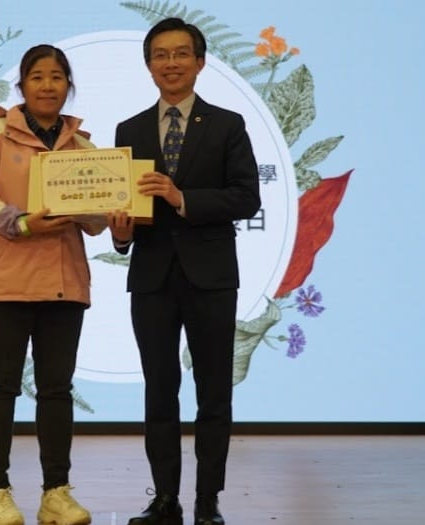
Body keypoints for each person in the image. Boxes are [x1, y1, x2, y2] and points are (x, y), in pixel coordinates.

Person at [107, 17, 261, 525]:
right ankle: (165, 499)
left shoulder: (227, 125)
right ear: (149, 65)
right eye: (160, 55)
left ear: (200, 62)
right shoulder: (128, 130)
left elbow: (246, 197)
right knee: (159, 391)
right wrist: (121, 233)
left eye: (180, 54)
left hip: (211, 277)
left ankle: (207, 500)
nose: (170, 63)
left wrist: (181, 198)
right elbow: (124, 208)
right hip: (151, 278)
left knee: (213, 392)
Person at [0, 44, 103, 525]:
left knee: (57, 391)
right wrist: (20, 222)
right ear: (21, 85)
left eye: (57, 77)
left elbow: (97, 220)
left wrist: (107, 211)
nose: (47, 85)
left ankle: (55, 494)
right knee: (0, 388)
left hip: (63, 281)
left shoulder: (83, 147)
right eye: (37, 76)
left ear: (68, 86)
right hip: (3, 281)